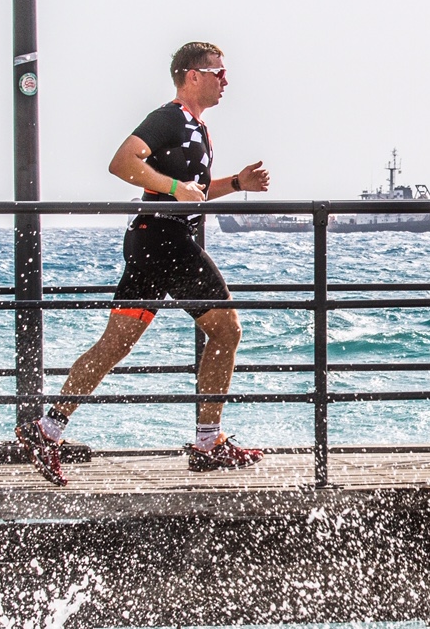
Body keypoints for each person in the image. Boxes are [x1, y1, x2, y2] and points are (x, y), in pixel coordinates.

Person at [15, 41, 271, 485]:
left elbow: (195, 191)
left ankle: (46, 431)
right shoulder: (169, 117)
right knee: (227, 330)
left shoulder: (197, 128)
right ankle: (207, 444)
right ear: (193, 76)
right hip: (165, 240)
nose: (226, 80)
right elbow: (121, 162)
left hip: (152, 242)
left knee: (114, 344)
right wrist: (172, 188)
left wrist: (235, 183)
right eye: (218, 73)